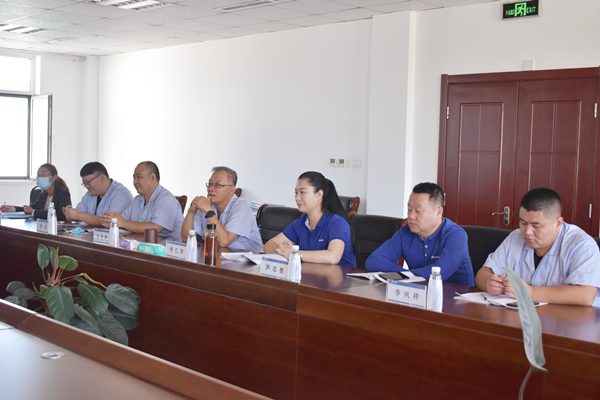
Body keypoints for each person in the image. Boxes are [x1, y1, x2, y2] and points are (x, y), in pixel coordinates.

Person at [475, 187, 600, 307]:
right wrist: (489, 283)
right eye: (523, 223)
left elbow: (586, 295)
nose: (527, 232)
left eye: (536, 226)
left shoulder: (582, 245)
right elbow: (482, 274)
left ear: (558, 223)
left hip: (571, 318)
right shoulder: (515, 237)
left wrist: (529, 292)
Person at [366, 182, 473, 285]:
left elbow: (439, 273)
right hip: (419, 292)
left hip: (456, 295)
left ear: (438, 212)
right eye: (409, 209)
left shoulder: (456, 235)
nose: (411, 216)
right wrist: (406, 274)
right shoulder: (405, 232)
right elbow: (373, 261)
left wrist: (405, 275)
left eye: (418, 211)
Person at [264, 171, 356, 268]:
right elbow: (269, 245)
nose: (297, 198)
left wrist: (295, 254)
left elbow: (332, 257)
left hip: (340, 277)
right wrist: (282, 251)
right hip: (310, 275)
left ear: (319, 194)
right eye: (296, 193)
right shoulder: (301, 222)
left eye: (302, 192)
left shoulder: (337, 222)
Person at [181, 166, 263, 253]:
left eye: (218, 185)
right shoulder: (208, 206)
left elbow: (224, 241)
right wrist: (191, 211)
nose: (210, 189)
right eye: (210, 184)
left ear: (231, 190)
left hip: (246, 260)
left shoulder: (241, 207)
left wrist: (209, 211)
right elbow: (186, 237)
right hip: (218, 256)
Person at [100, 161, 183, 241]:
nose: (134, 182)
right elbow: (122, 220)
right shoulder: (137, 200)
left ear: (152, 177)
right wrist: (113, 221)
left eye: (138, 177)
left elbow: (155, 228)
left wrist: (123, 223)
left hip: (166, 248)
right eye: (134, 178)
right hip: (142, 244)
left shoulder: (166, 199)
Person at [63, 162, 133, 225]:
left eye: (88, 182)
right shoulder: (89, 194)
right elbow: (80, 212)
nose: (86, 186)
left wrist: (78, 216)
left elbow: (109, 220)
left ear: (101, 177)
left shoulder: (121, 194)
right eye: (84, 184)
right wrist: (70, 214)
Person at [1, 163, 71, 221]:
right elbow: (32, 208)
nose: (40, 177)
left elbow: (61, 215)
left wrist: (33, 212)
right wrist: (13, 209)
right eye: (38, 175)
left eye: (43, 174)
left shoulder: (63, 193)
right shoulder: (44, 193)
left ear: (54, 177)